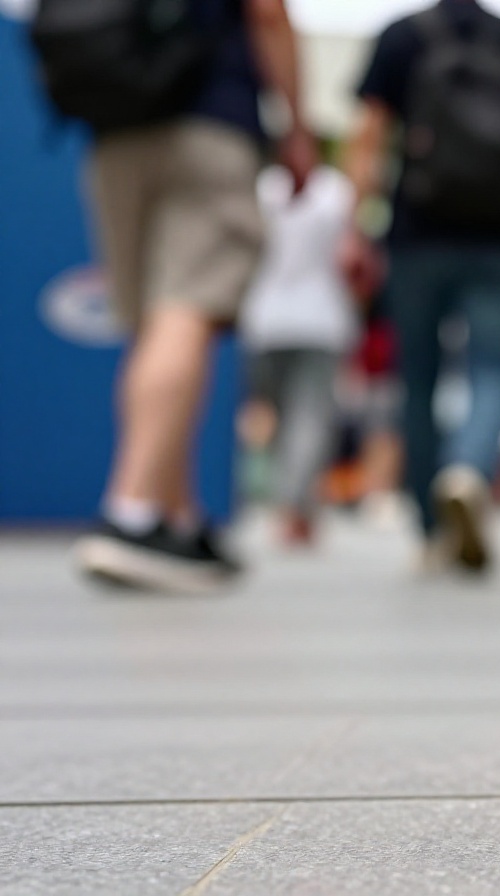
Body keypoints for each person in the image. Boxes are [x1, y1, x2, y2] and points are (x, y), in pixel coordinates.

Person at [71, 0, 315, 591]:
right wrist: (298, 123)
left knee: (153, 328)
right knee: (186, 312)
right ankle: (131, 514)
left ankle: (176, 520)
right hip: (208, 122)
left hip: (113, 126)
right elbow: (266, 12)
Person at [342, 0, 500, 574]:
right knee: (492, 368)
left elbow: (369, 135)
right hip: (498, 236)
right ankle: (467, 468)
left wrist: (355, 228)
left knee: (417, 379)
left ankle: (430, 525)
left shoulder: (401, 37)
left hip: (417, 234)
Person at [238, 156, 360, 547]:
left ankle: (291, 503)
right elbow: (352, 256)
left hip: (263, 319)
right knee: (308, 417)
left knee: (278, 416)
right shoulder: (335, 192)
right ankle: (296, 506)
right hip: (320, 319)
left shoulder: (260, 188)